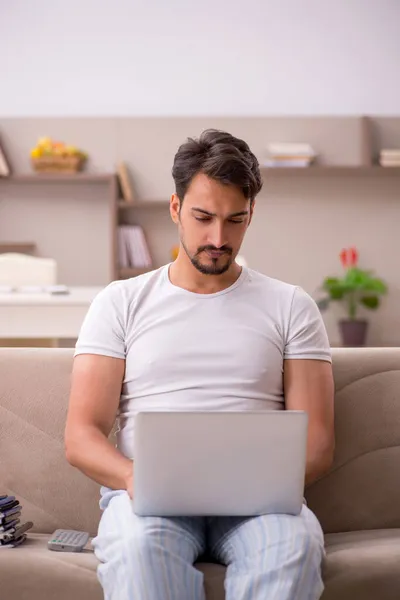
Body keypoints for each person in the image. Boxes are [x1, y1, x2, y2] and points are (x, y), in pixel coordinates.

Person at [65, 129, 335, 600]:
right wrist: (136, 477)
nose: (218, 238)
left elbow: (317, 444)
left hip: (261, 505)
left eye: (235, 220)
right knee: (137, 549)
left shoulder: (291, 305)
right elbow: (81, 433)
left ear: (252, 214)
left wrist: (252, 483)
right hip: (149, 499)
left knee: (293, 546)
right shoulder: (121, 303)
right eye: (203, 217)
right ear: (175, 209)